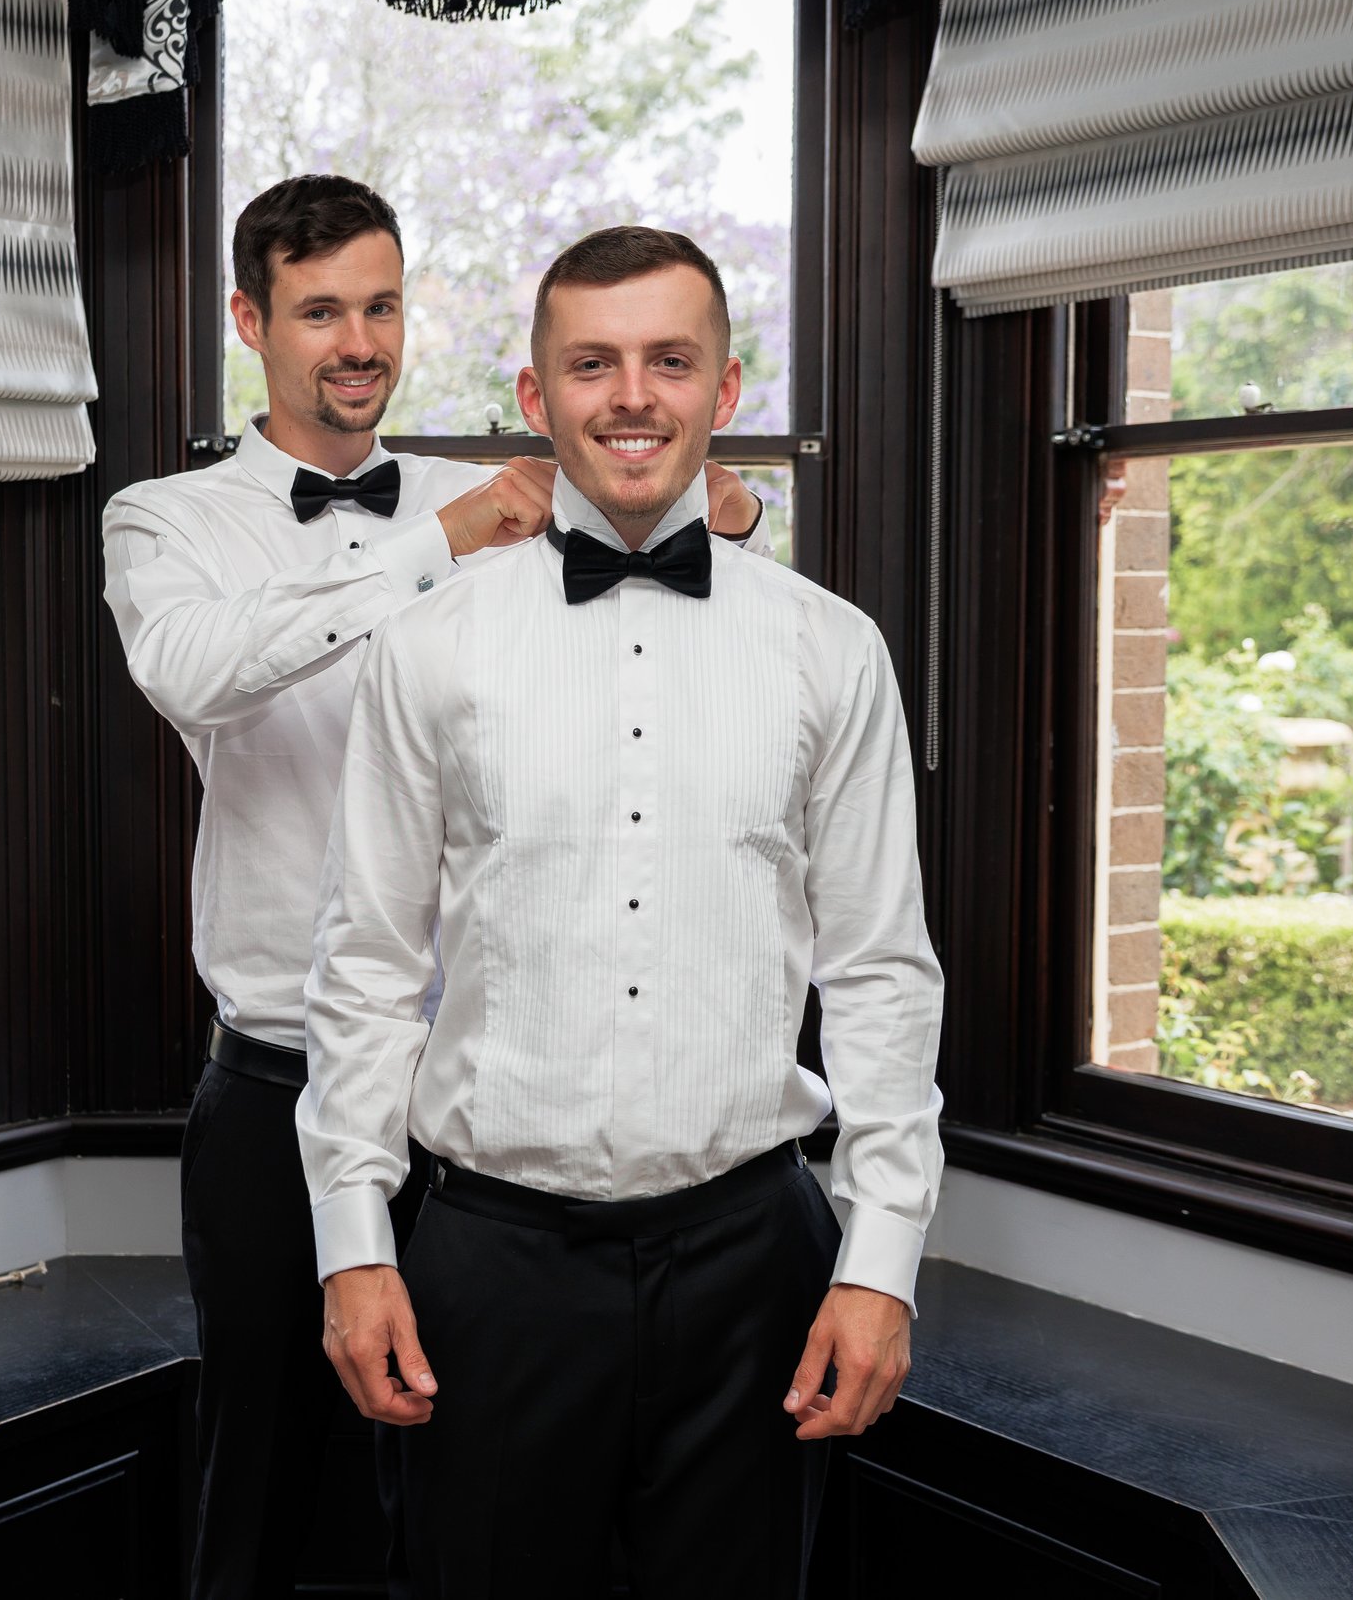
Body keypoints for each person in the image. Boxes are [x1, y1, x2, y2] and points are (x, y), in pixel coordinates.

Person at [100, 177, 771, 1600]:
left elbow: (654, 565)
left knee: (471, 1494)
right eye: (322, 310)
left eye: (384, 306)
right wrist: (436, 546)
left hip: (484, 1118)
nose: (360, 341)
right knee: (267, 1482)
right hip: (283, 1091)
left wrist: (715, 500)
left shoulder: (506, 501)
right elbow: (190, 672)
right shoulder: (168, 523)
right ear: (250, 320)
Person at [300, 225, 945, 1599]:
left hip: (754, 1263)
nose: (632, 396)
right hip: (492, 1256)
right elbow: (363, 968)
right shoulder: (428, 648)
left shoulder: (833, 652)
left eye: (669, 360)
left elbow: (884, 972)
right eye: (591, 363)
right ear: (537, 398)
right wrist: (354, 1247)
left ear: (725, 385)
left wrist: (882, 1255)